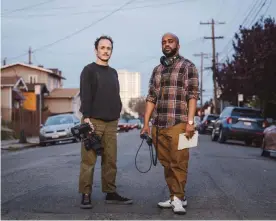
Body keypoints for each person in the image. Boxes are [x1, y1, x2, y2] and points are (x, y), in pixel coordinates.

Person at [141, 33, 199, 215]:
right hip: (159, 124)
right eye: (164, 42)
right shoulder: (157, 70)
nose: (167, 44)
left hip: (179, 123)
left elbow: (192, 95)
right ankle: (175, 194)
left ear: (178, 45)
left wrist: (190, 122)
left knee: (179, 162)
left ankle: (178, 198)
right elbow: (151, 97)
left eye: (170, 41)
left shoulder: (188, 66)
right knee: (166, 163)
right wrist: (146, 123)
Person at [79, 35, 133, 209]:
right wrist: (86, 118)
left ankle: (110, 192)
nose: (105, 51)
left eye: (108, 48)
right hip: (93, 120)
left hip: (111, 123)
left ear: (111, 51)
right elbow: (85, 95)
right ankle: (86, 194)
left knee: (110, 160)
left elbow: (115, 94)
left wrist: (117, 111)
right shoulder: (88, 70)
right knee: (89, 161)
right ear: (96, 50)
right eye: (102, 48)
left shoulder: (113, 72)